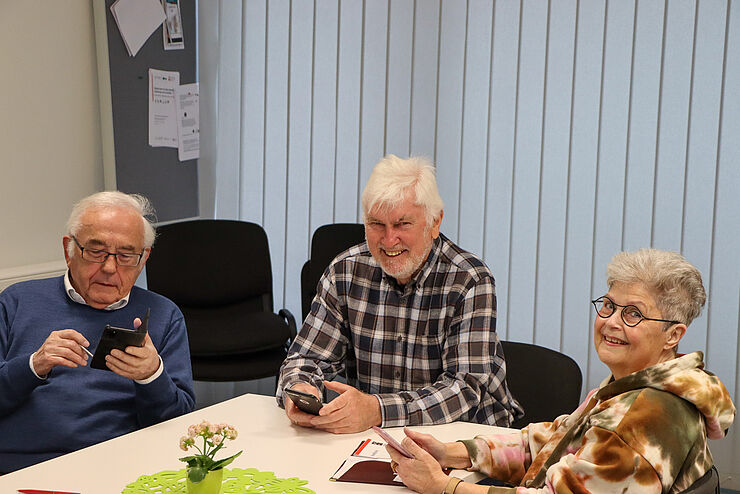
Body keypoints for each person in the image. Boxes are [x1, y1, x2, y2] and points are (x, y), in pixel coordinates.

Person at [386, 248, 736, 494]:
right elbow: (558, 440)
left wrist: (443, 486)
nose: (611, 322)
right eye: (610, 306)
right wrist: (453, 453)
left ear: (673, 335)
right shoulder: (644, 384)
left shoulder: (641, 417)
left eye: (633, 314)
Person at [276, 154, 522, 433]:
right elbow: (306, 358)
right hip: (378, 438)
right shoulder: (344, 271)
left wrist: (377, 410)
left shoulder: (469, 279)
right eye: (376, 224)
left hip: (466, 438)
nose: (389, 240)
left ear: (434, 223)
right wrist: (300, 387)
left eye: (403, 224)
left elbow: (464, 389)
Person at [0, 191, 195, 474]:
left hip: (118, 467)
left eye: (126, 255)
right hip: (22, 465)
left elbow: (178, 427)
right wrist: (33, 365)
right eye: (95, 251)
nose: (108, 267)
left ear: (143, 259)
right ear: (69, 250)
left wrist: (151, 376)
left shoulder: (164, 315)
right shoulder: (16, 301)